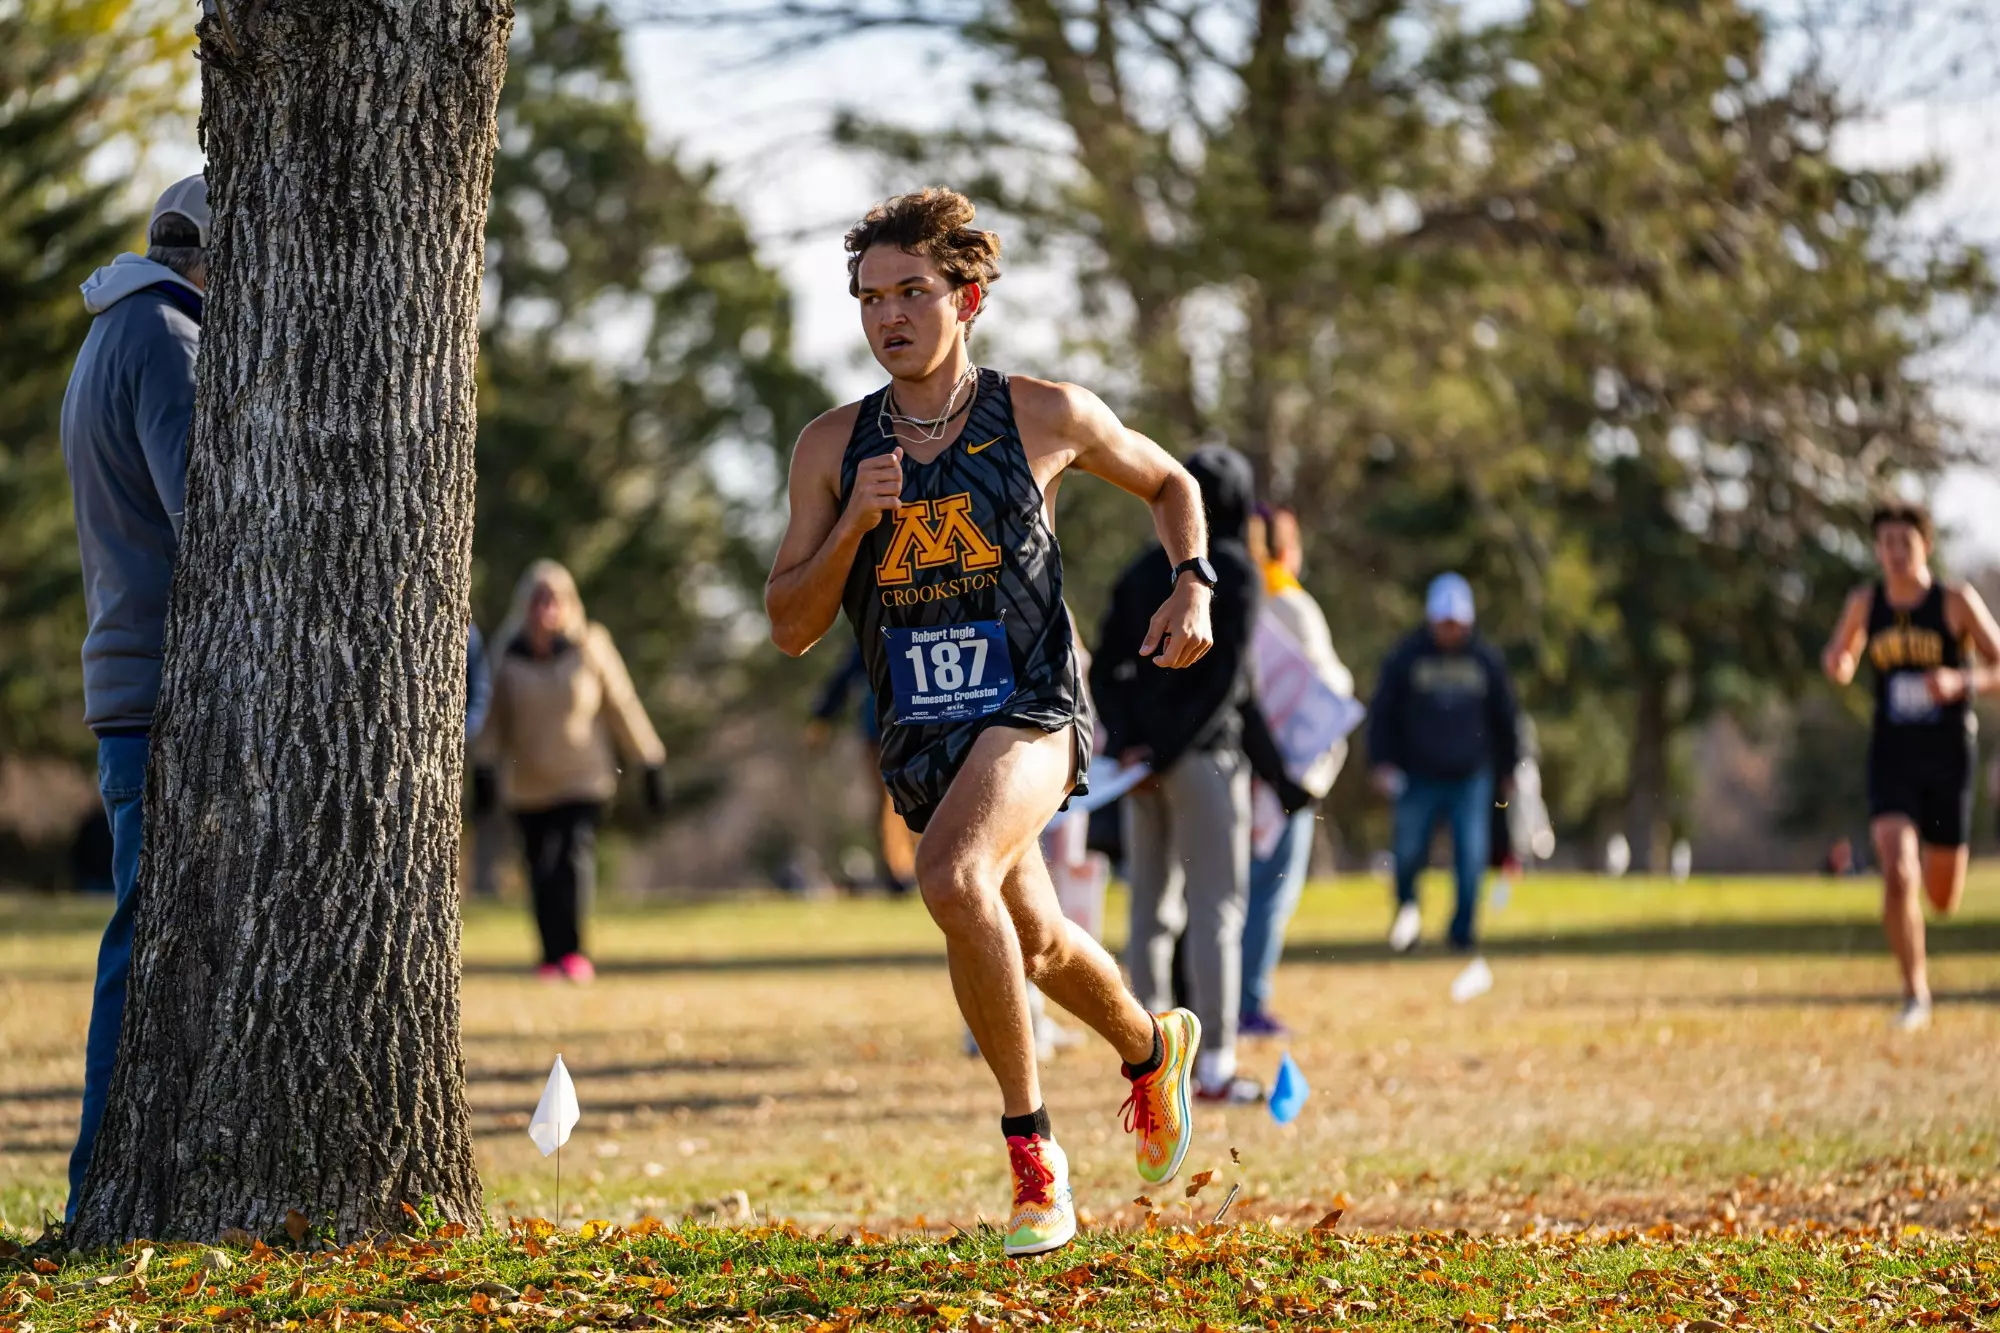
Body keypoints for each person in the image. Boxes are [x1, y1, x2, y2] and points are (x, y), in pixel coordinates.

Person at [764, 188, 1210, 1257]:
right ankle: (1153, 1049)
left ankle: (1033, 1160)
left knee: (951, 880)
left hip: (1032, 710)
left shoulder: (1043, 412)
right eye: (870, 298)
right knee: (1041, 942)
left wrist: (1190, 581)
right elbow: (790, 624)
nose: (889, 317)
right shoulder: (832, 447)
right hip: (921, 736)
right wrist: (855, 527)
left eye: (911, 291)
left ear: (965, 298)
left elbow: (1170, 481)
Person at [57, 175, 209, 1223]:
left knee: (146, 941)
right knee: (141, 948)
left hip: (133, 678)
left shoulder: (117, 326)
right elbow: (205, 505)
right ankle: (96, 1190)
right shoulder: (163, 334)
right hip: (156, 686)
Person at [1094, 447, 1311, 1103]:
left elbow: (1106, 670)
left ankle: (1151, 1063)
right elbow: (1228, 686)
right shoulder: (1235, 573)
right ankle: (1213, 1062)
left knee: (1148, 914)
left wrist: (1133, 746)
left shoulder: (1138, 574)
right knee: (1216, 909)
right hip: (1200, 762)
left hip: (1137, 770)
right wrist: (1170, 751)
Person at [1820, 503, 2000, 1031]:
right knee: (1898, 873)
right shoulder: (1865, 603)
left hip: (1947, 759)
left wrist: (1960, 682)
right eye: (1886, 543)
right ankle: (1914, 992)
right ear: (1877, 550)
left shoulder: (1955, 602)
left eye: (1905, 542)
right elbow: (1842, 654)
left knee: (1942, 897)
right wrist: (1839, 665)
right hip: (1892, 755)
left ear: (1926, 546)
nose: (1895, 553)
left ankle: (1924, 908)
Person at [472, 560, 667, 982]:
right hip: (528, 785)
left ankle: (574, 954)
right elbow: (492, 720)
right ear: (525, 605)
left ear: (568, 604)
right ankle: (549, 955)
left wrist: (649, 760)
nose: (546, 609)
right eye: (538, 600)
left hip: (584, 779)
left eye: (554, 600)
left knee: (572, 861)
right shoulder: (507, 653)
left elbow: (622, 705)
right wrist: (484, 768)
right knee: (541, 869)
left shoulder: (590, 645)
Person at [1239, 507, 1353, 1039]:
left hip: (1239, 769)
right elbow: (1327, 688)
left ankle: (1227, 1001)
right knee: (1271, 893)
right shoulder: (1293, 607)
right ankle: (1249, 1003)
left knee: (1232, 897)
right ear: (1290, 550)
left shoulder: (1233, 597)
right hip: (1287, 775)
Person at [1367, 573, 1520, 962]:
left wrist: (1510, 768)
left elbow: (1506, 717)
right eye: (1444, 621)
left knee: (1471, 859)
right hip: (1417, 776)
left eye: (1456, 622)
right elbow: (1383, 713)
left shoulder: (1486, 659)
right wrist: (1381, 761)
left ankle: (1462, 931)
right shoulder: (1406, 657)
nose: (1450, 630)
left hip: (1471, 777)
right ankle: (1408, 915)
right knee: (1408, 853)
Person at [809, 639, 917, 895]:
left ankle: (913, 869)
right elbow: (845, 676)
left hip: (920, 726)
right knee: (890, 804)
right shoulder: (875, 630)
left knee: (906, 802)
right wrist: (823, 717)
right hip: (881, 731)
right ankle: (899, 873)